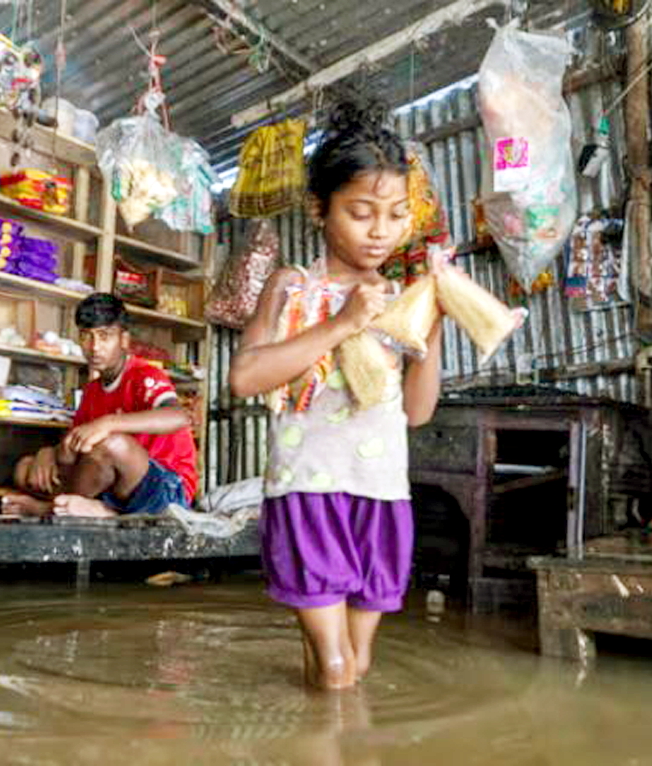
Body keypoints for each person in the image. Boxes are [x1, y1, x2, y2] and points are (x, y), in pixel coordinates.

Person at [229, 101, 445, 690]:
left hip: (381, 496)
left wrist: (436, 324)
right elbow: (245, 378)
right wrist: (342, 322)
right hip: (310, 489)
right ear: (320, 208)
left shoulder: (404, 300)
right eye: (361, 212)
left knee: (356, 662)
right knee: (336, 666)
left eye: (397, 214)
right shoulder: (291, 286)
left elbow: (418, 412)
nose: (381, 230)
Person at [2, 293, 198, 518]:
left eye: (105, 336)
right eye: (86, 336)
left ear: (124, 340)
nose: (94, 347)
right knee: (25, 468)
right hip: (116, 486)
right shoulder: (92, 391)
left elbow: (179, 416)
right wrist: (48, 453)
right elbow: (74, 447)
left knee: (113, 444)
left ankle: (52, 509)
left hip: (168, 491)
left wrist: (108, 423)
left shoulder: (145, 375)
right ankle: (97, 510)